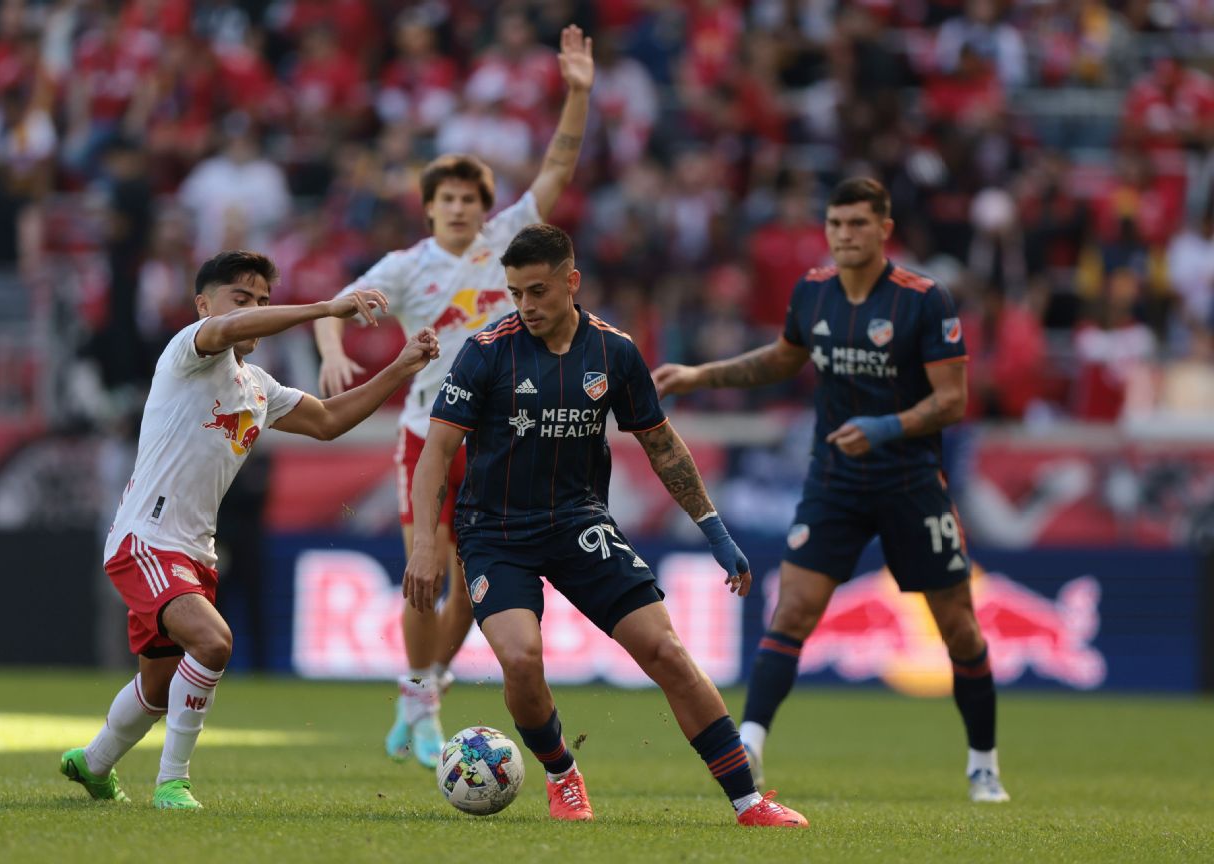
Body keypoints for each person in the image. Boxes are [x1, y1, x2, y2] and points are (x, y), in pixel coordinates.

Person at [402, 224, 808, 828]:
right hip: (496, 532)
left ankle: (750, 802)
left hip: (579, 524)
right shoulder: (486, 351)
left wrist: (716, 532)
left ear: (572, 281)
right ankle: (563, 776)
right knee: (521, 657)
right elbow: (436, 452)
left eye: (537, 290)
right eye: (515, 293)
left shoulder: (613, 352)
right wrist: (424, 547)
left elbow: (662, 445)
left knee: (666, 650)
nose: (526, 305)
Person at [652, 177, 1010, 804]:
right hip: (836, 480)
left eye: (858, 224)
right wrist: (701, 374)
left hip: (911, 482)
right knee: (792, 610)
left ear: (884, 229)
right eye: (836, 224)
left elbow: (952, 400)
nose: (845, 234)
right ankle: (753, 747)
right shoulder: (813, 292)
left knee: (959, 629)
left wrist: (886, 427)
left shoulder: (925, 300)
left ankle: (983, 763)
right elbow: (783, 360)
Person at [61, 250, 439, 809]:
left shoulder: (257, 388)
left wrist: (402, 368)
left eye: (263, 299)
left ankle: (92, 764)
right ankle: (173, 782)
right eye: (243, 297)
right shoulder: (187, 350)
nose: (255, 310)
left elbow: (330, 421)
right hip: (146, 540)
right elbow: (232, 328)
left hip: (194, 553)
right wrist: (325, 308)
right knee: (214, 642)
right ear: (203, 304)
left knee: (160, 687)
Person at [313, 25, 595, 769]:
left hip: (503, 440)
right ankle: (418, 691)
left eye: (471, 198)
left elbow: (559, 166)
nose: (461, 209)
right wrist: (336, 348)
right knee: (423, 570)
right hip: (428, 435)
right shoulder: (405, 267)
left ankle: (425, 686)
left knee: (475, 588)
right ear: (428, 206)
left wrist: (578, 92)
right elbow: (335, 307)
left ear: (485, 207)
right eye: (447, 198)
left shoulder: (509, 239)